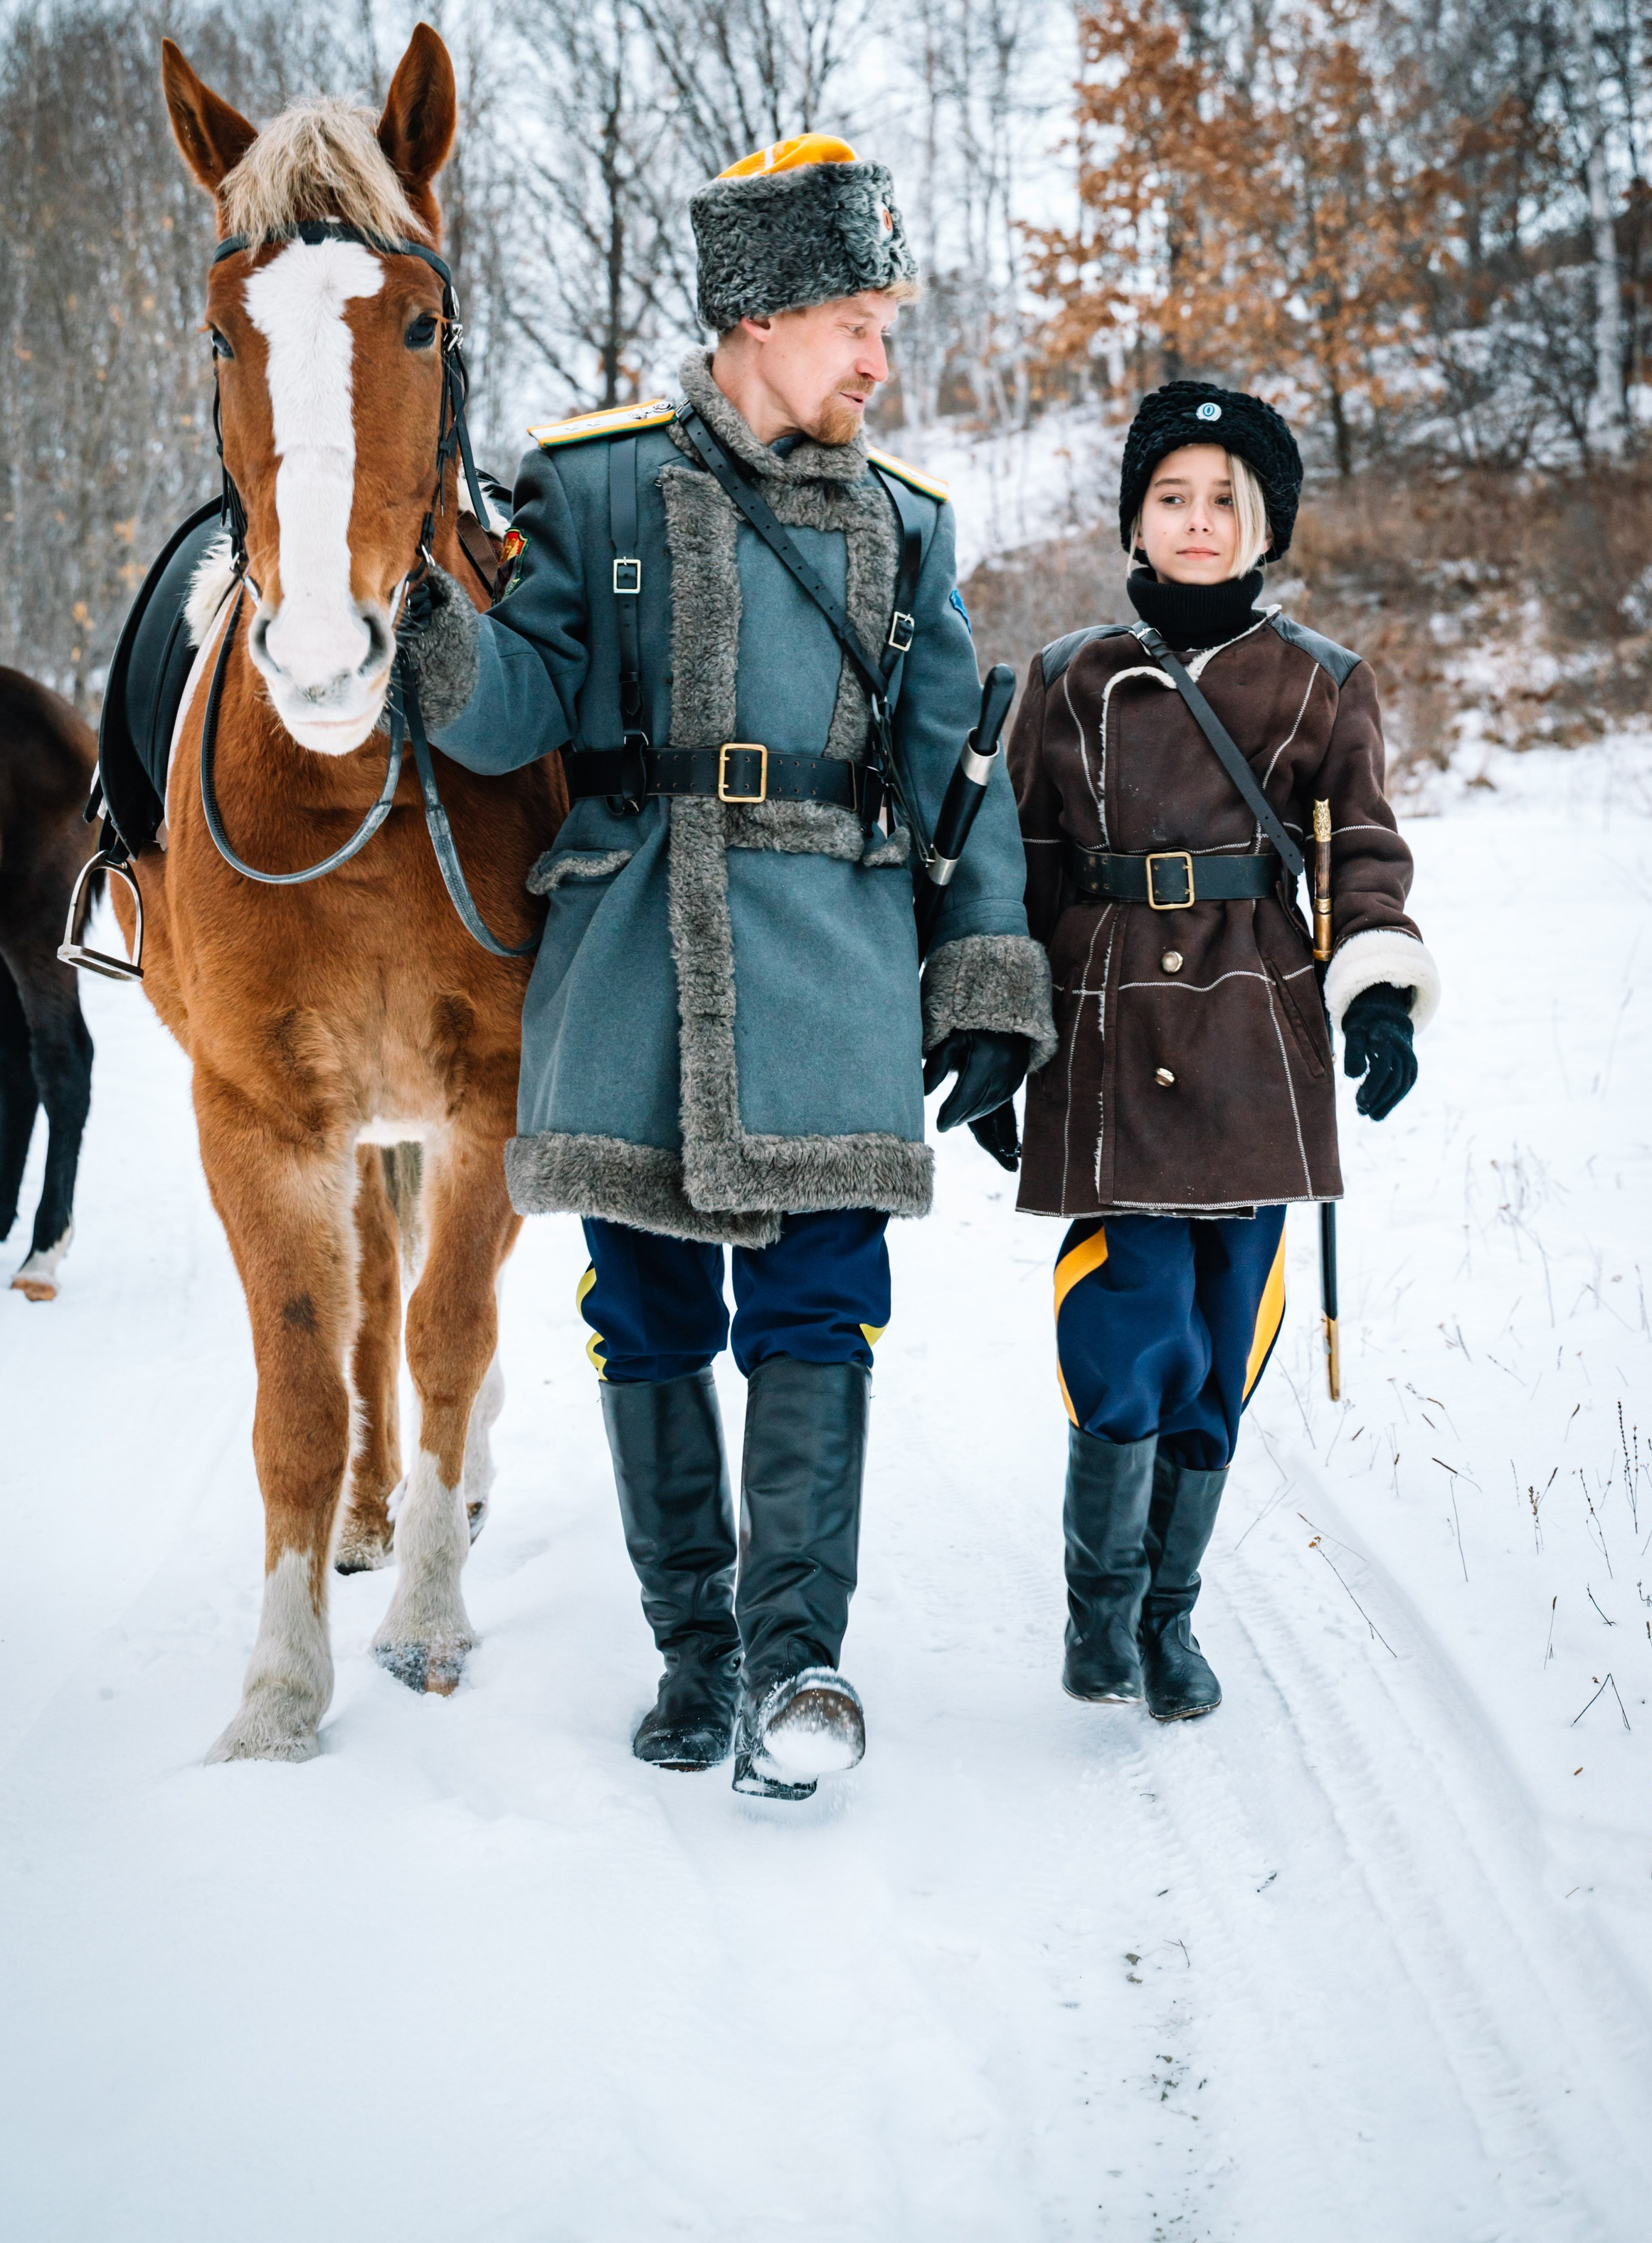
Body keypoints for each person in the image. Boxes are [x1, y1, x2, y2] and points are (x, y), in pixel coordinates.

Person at [397, 135, 1054, 1797]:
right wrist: (415, 623)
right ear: (759, 316)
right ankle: (695, 1653)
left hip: (831, 962)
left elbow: (949, 773)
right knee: (648, 1312)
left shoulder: (907, 521)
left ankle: (797, 1656)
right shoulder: (595, 479)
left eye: (882, 326)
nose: (877, 360)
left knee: (822, 1311)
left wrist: (983, 974)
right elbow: (518, 709)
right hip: (628, 959)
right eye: (855, 321)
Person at [1003, 379, 1437, 1722]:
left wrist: (1373, 990)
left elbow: (1363, 854)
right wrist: (993, 1023)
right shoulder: (1067, 680)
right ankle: (1097, 1610)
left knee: (1220, 1339)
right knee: (1125, 1330)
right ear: (1136, 518)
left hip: (1257, 1039)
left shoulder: (1322, 682)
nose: (1198, 522)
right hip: (1107, 1030)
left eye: (1225, 501)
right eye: (1172, 497)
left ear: (1267, 525)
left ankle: (1168, 1617)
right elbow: (1011, 871)